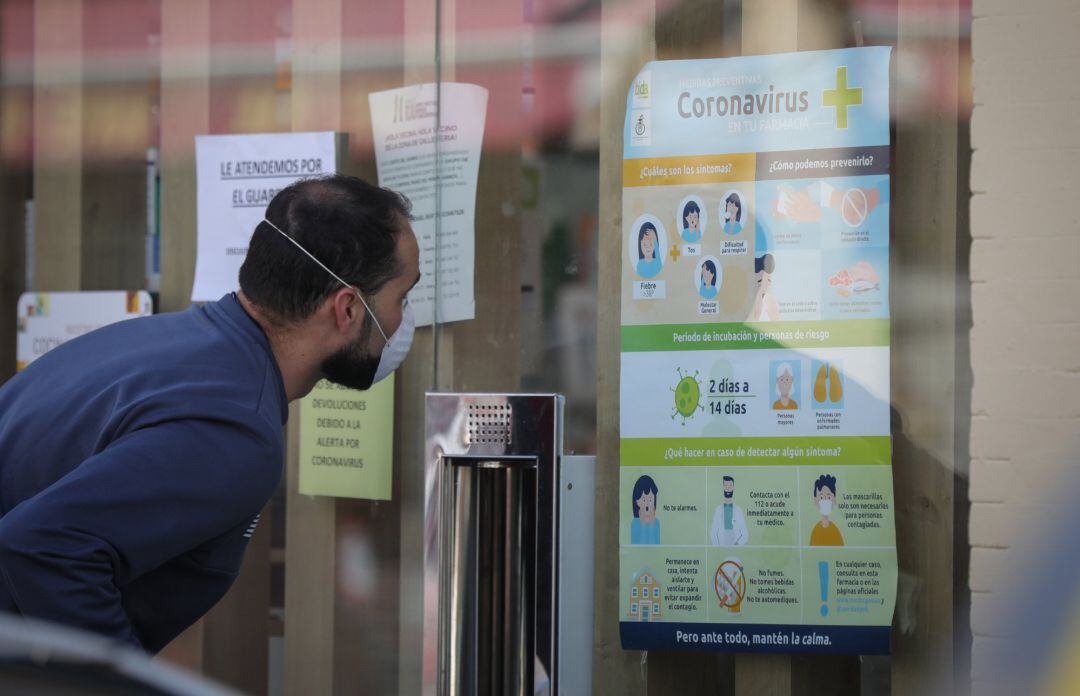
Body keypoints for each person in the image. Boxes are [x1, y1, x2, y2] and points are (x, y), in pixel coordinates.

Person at [0, 175, 421, 653]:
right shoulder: (236, 428)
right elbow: (41, 547)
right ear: (347, 309)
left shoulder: (170, 341)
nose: (402, 321)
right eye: (401, 298)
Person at [709, 476, 748, 546]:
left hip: (735, 546)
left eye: (730, 485)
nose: (728, 487)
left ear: (733, 487)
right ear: (723, 487)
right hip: (721, 545)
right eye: (726, 485)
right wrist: (718, 547)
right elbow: (713, 532)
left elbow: (745, 533)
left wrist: (737, 544)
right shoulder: (718, 510)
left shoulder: (738, 510)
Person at [809, 474, 845, 546]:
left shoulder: (835, 530)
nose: (825, 501)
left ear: (834, 500)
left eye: (828, 497)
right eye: (821, 497)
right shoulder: (816, 530)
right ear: (815, 500)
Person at [629, 475, 661, 544]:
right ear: (637, 501)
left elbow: (656, 546)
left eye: (650, 499)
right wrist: (643, 525)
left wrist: (651, 525)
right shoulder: (635, 523)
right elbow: (636, 548)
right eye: (643, 499)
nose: (647, 504)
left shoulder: (656, 523)